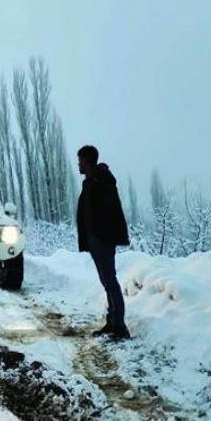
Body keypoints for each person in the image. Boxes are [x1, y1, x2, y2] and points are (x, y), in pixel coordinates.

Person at [76, 145, 131, 340]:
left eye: (81, 160)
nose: (78, 164)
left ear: (89, 161)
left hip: (103, 240)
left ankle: (120, 326)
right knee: (106, 282)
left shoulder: (103, 182)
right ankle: (112, 321)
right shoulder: (90, 182)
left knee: (110, 281)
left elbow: (110, 213)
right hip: (95, 240)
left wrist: (100, 237)